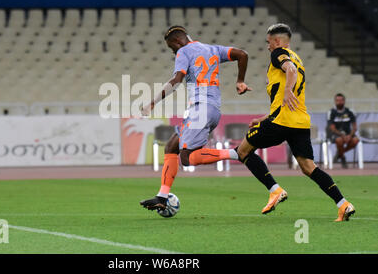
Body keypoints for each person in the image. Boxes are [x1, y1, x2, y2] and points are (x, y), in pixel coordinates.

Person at [234, 23, 354, 222]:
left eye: (269, 42)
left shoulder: (279, 54)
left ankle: (275, 190)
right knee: (308, 167)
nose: (268, 47)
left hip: (282, 122)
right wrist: (263, 118)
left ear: (278, 41)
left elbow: (289, 71)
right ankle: (343, 204)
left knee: (242, 151)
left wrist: (288, 89)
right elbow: (285, 95)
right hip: (299, 122)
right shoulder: (299, 59)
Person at [139, 25, 250, 211]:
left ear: (176, 41)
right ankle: (162, 196)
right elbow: (242, 54)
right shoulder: (213, 49)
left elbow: (176, 80)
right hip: (211, 109)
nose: (173, 52)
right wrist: (240, 81)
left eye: (171, 48)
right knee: (172, 147)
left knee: (187, 158)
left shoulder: (183, 52)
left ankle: (235, 153)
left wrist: (152, 102)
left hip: (201, 108)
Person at [328, 93, 359, 168]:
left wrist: (350, 135)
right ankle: (342, 158)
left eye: (341, 100)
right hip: (336, 134)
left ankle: (339, 154)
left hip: (349, 134)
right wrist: (342, 135)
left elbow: (354, 127)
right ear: (335, 101)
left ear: (344, 101)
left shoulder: (350, 111)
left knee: (356, 140)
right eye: (337, 100)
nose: (339, 102)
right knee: (339, 140)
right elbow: (332, 128)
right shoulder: (331, 112)